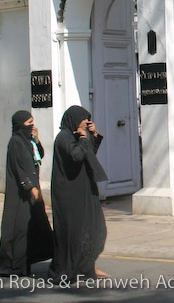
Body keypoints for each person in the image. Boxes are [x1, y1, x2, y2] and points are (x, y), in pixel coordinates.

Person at [48, 105, 108, 282]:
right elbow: (76, 156)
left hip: (85, 189)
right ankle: (69, 269)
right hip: (70, 194)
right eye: (83, 120)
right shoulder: (64, 138)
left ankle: (86, 266)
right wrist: (83, 139)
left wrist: (93, 136)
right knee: (73, 233)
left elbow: (89, 154)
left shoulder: (77, 136)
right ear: (74, 120)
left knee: (96, 229)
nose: (86, 123)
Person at [0, 111, 53, 277]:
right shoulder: (15, 142)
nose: (32, 126)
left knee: (35, 226)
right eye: (29, 123)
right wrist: (31, 188)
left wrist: (37, 139)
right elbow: (19, 169)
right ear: (20, 125)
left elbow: (38, 156)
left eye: (33, 122)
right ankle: (12, 266)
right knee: (18, 229)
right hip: (20, 195)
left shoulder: (28, 141)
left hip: (31, 192)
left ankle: (29, 260)